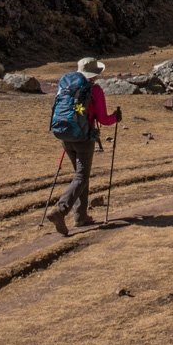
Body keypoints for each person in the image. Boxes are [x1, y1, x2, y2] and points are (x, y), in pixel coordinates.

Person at [46, 56, 120, 235]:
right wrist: (115, 118)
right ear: (95, 73)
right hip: (85, 139)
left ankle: (80, 216)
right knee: (81, 176)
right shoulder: (94, 90)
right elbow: (103, 119)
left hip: (65, 135)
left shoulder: (67, 86)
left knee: (81, 176)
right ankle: (60, 210)